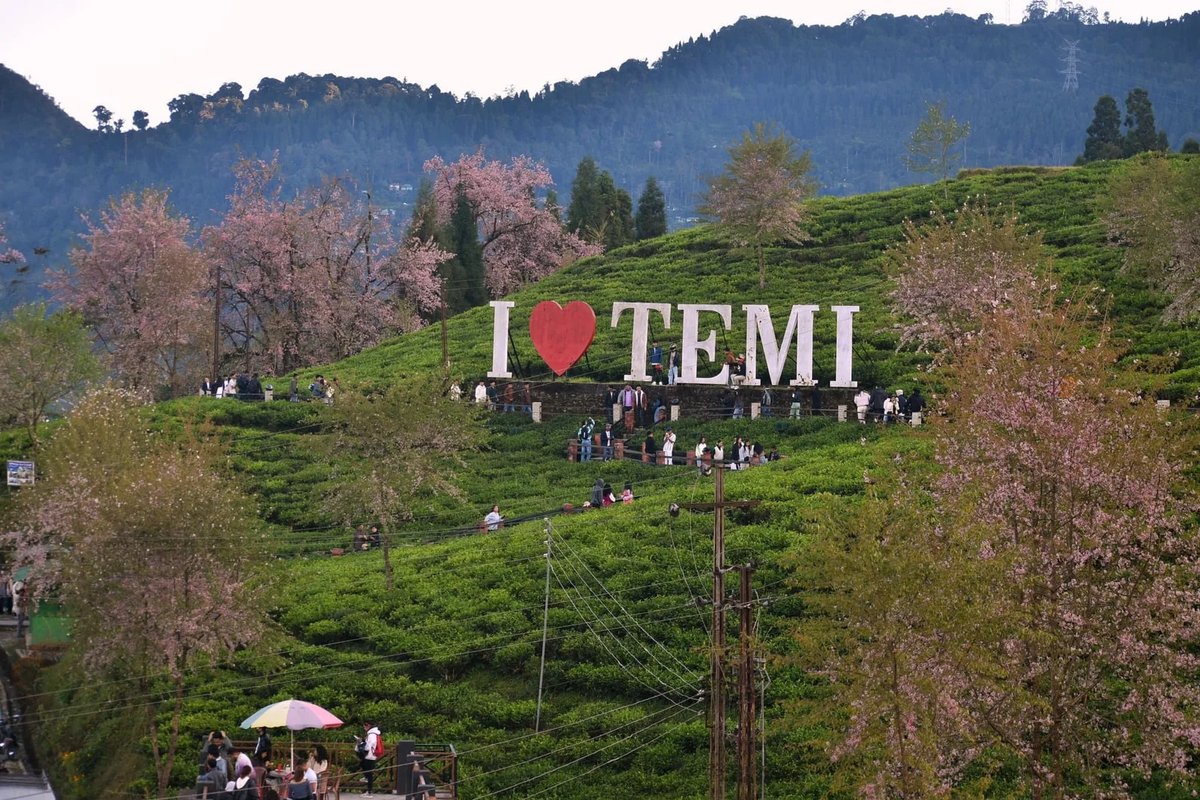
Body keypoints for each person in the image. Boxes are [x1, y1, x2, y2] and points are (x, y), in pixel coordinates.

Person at [359, 722, 381, 799]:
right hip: (371, 755)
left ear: (368, 726)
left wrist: (362, 745)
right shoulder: (373, 733)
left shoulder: (372, 734)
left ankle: (369, 792)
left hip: (370, 755)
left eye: (364, 726)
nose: (364, 728)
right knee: (364, 765)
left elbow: (369, 745)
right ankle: (366, 779)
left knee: (369, 774)